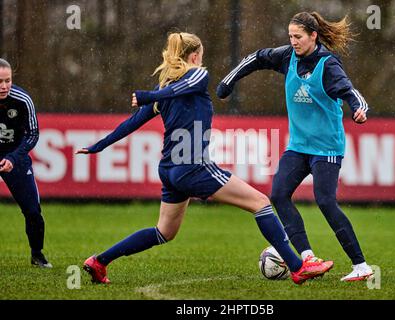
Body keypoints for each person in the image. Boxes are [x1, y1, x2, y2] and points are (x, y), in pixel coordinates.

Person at [76, 32, 333, 285]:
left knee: (163, 232)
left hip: (169, 169)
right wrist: (104, 141)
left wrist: (100, 145)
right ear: (195, 55)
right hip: (193, 167)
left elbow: (133, 122)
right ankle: (299, 268)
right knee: (261, 202)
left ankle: (99, 262)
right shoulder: (196, 74)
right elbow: (147, 111)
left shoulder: (165, 88)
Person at [216, 12, 373, 282]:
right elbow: (255, 58)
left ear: (313, 36)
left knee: (325, 201)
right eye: (290, 36)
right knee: (278, 194)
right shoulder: (288, 56)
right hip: (298, 146)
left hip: (327, 148)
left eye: (298, 37)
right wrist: (228, 82)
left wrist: (359, 108)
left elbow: (350, 91)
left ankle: (361, 266)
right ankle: (308, 257)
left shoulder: (328, 65)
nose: (293, 41)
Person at [0, 58, 52, 268]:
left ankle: (37, 255)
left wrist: (13, 157)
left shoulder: (23, 100)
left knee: (32, 210)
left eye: (7, 80)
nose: (4, 86)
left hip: (15, 156)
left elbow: (33, 134)